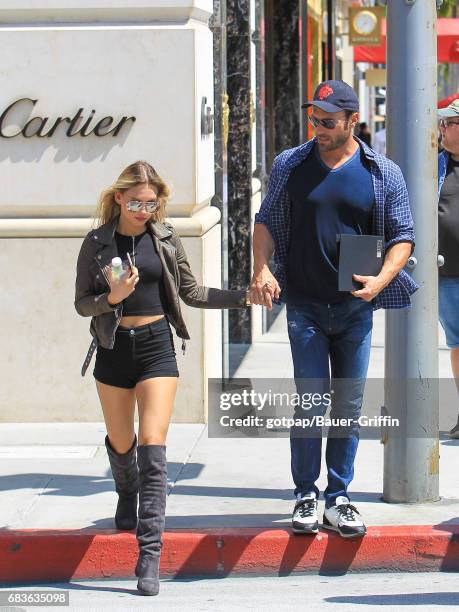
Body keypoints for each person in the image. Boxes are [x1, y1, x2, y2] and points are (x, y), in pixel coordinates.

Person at [251, 80, 417, 539]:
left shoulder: (381, 172)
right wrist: (261, 269)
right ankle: (306, 492)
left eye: (327, 121)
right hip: (303, 304)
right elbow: (265, 220)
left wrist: (383, 278)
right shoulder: (291, 164)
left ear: (351, 121)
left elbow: (404, 234)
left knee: (347, 403)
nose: (318, 128)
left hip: (353, 308)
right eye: (314, 119)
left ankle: (338, 496)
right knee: (310, 402)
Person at [75, 161, 250, 595]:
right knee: (122, 443)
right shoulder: (97, 242)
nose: (143, 210)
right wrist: (111, 298)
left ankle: (148, 555)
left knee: (154, 446)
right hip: (114, 349)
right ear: (118, 198)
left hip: (156, 346)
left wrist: (244, 296)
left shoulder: (166, 238)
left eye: (151, 204)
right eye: (135, 202)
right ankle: (125, 490)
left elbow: (192, 292)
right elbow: (81, 303)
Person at [438, 99, 459, 438]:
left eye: (448, 123)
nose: (441, 128)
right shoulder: (433, 165)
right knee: (458, 344)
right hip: (447, 275)